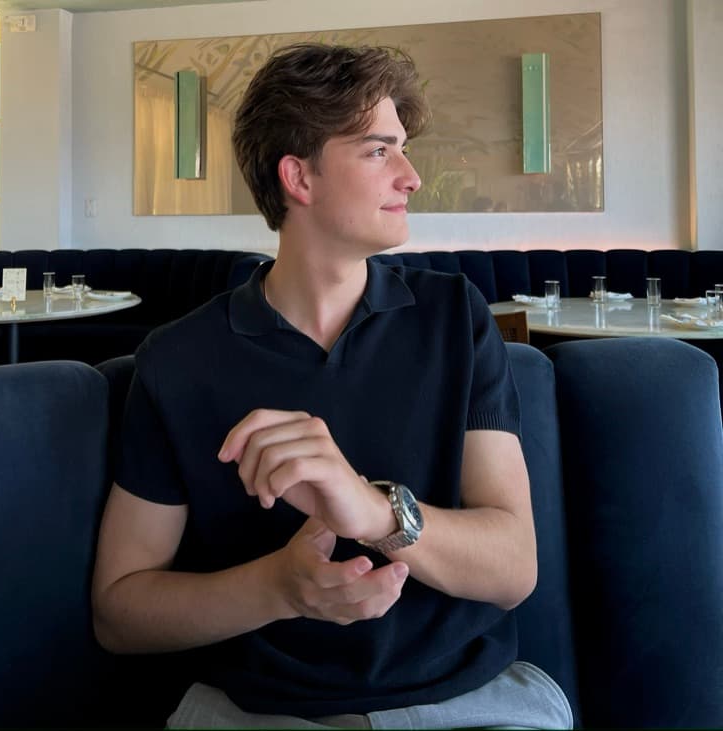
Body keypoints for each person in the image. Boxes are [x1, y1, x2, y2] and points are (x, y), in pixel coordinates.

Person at [91, 42, 573, 729]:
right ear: (299, 177)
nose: (411, 177)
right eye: (379, 151)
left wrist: (374, 512)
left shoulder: (452, 317)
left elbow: (514, 566)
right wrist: (277, 587)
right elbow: (119, 611)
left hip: (466, 704)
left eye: (403, 150)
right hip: (261, 712)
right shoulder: (178, 359)